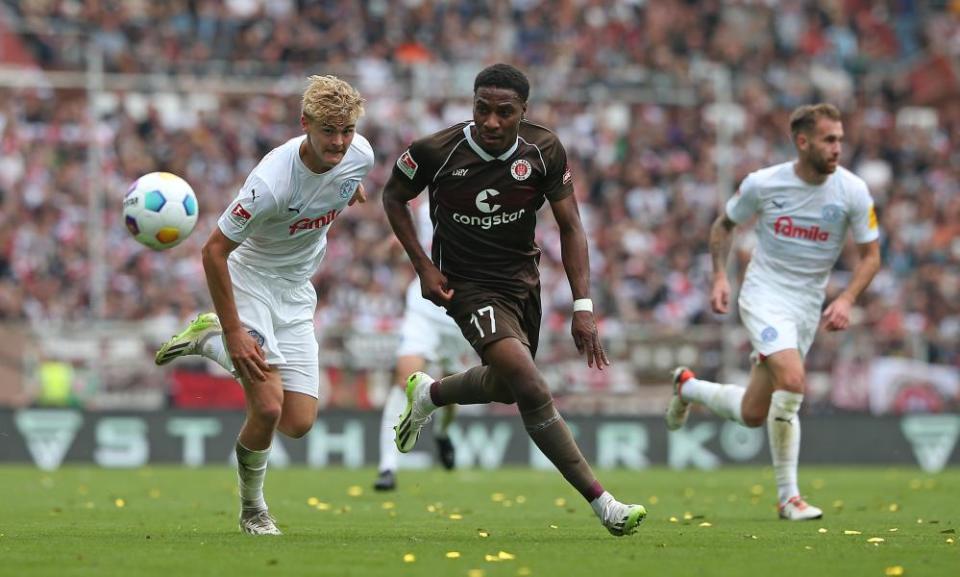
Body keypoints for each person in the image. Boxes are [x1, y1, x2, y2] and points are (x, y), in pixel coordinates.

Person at [381, 63, 646, 537]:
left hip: (522, 284)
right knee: (529, 384)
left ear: (524, 111)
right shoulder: (435, 151)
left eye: (505, 112)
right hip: (466, 287)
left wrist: (584, 306)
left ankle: (429, 394)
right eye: (483, 109)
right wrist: (423, 265)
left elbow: (571, 227)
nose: (492, 121)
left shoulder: (544, 150)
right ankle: (604, 503)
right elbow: (393, 196)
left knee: (506, 386)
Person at [154, 75, 374, 535]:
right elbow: (213, 251)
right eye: (328, 131)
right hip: (250, 281)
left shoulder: (359, 156)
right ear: (305, 124)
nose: (338, 142)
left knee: (298, 422)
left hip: (296, 292)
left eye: (346, 131)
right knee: (269, 408)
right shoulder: (270, 183)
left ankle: (206, 338)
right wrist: (236, 332)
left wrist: (348, 186)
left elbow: (345, 174)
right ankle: (253, 510)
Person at [666, 103, 881, 521]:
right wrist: (719, 277)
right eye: (829, 139)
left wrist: (848, 297)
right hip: (764, 294)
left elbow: (872, 255)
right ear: (803, 142)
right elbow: (723, 225)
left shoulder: (853, 191)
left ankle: (687, 387)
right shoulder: (763, 185)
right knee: (794, 380)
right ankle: (789, 498)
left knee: (753, 413)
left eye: (840, 138)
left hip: (806, 306)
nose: (838, 147)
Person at [373, 200, 477, 491]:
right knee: (404, 379)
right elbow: (415, 232)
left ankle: (442, 432)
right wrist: (395, 244)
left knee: (450, 387)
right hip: (423, 307)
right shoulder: (424, 200)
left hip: (460, 312)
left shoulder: (481, 195)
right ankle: (388, 467)